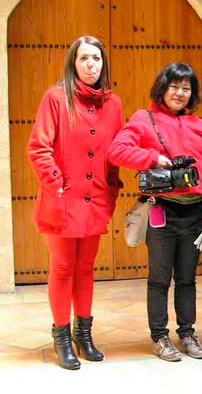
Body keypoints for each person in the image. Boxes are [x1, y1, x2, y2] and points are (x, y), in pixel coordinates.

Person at [108, 62, 202, 362]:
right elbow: (117, 151)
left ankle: (187, 333)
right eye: (174, 86)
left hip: (195, 213)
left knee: (187, 278)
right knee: (160, 278)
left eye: (186, 88)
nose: (180, 93)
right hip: (161, 211)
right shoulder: (144, 119)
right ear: (162, 87)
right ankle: (159, 336)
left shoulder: (199, 124)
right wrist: (152, 158)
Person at [27, 35, 123, 370]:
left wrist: (112, 187)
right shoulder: (56, 98)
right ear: (73, 62)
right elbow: (38, 147)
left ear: (103, 63)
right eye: (83, 58)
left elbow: (115, 152)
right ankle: (62, 337)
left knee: (85, 269)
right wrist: (56, 186)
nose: (90, 65)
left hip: (95, 199)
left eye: (96, 58)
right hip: (61, 200)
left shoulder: (113, 104)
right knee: (63, 267)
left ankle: (85, 335)